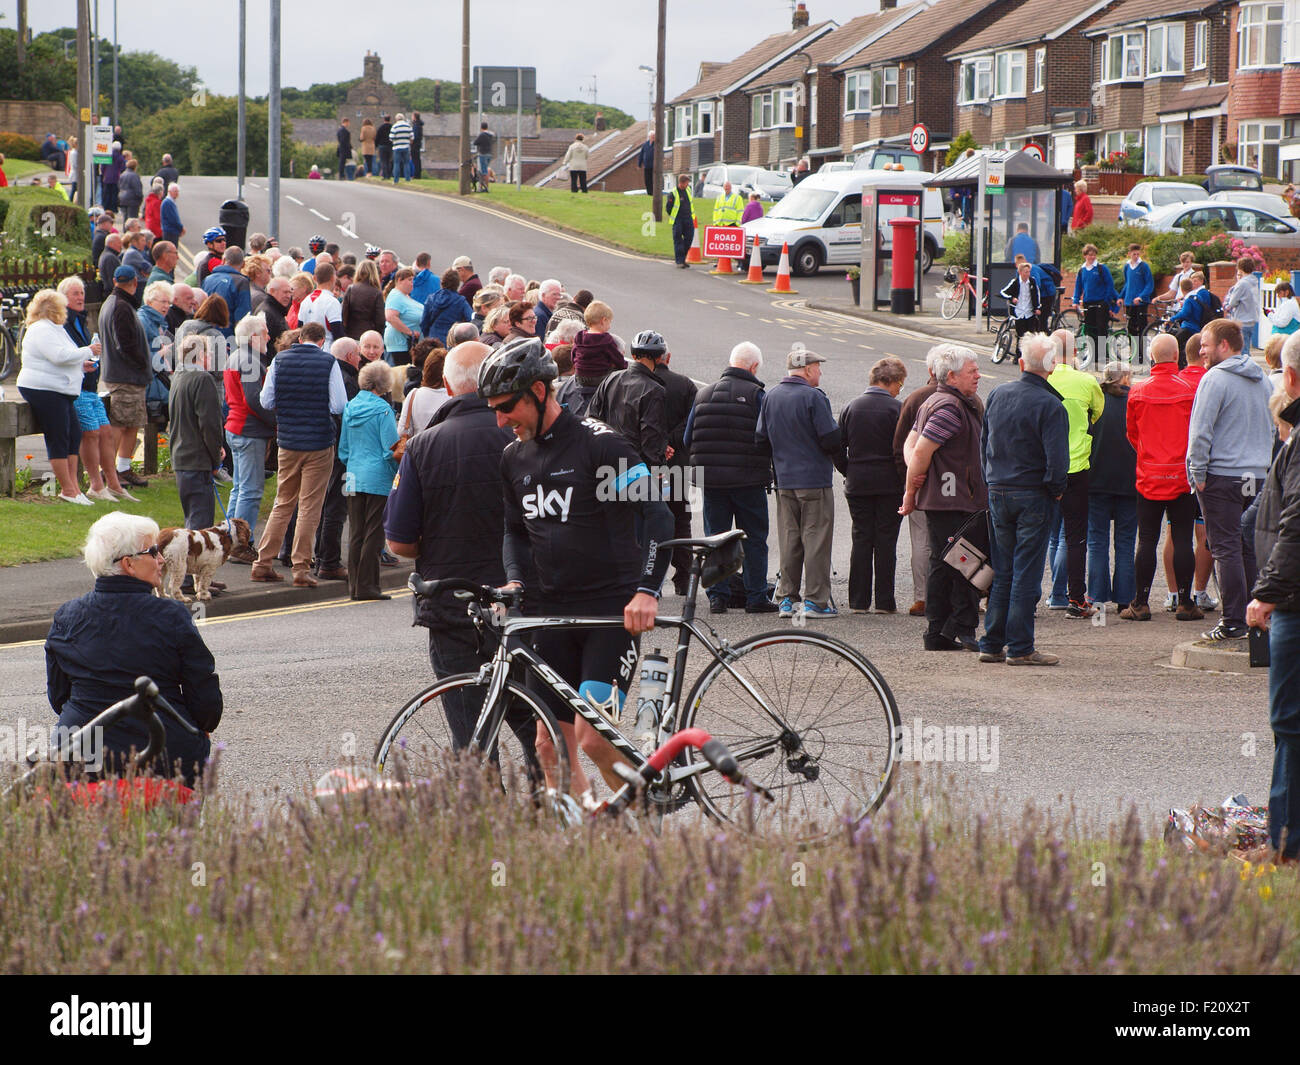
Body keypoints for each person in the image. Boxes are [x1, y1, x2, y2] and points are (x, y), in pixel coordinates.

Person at [482, 338, 673, 804]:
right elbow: (515, 532)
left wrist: (647, 589)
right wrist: (514, 579)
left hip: (610, 610)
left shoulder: (600, 445)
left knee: (593, 738)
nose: (500, 420)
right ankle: (594, 836)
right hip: (550, 613)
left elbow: (657, 514)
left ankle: (648, 826)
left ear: (541, 392)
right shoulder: (513, 458)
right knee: (548, 746)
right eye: (493, 409)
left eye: (507, 407)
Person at [386, 341, 531, 750]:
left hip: (453, 605)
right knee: (539, 731)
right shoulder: (528, 440)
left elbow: (399, 541)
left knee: (471, 737)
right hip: (523, 604)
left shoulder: (422, 447)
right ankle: (548, 809)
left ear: (447, 386)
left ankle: (484, 810)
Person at [45, 512, 222, 787]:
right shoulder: (171, 615)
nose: (161, 559)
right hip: (165, 753)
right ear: (128, 564)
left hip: (82, 753)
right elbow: (205, 696)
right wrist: (201, 728)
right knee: (167, 827)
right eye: (153, 552)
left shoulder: (66, 616)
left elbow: (58, 697)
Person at [977, 333, 1069, 666]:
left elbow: (984, 442)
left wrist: (990, 479)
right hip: (1033, 493)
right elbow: (1058, 459)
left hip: (999, 489)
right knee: (1026, 572)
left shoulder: (998, 393)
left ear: (1021, 363)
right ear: (1053, 366)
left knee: (1002, 570)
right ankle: (1020, 648)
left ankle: (991, 643)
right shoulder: (1051, 405)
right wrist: (1056, 488)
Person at [1246, 332, 1300, 864]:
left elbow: (1296, 521)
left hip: (1295, 604)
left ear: (1289, 377)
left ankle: (1285, 845)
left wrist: (1266, 593)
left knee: (1289, 724)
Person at [1188, 318, 1276, 640]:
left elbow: (1200, 432)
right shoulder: (1263, 380)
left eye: (1206, 345)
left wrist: (1197, 473)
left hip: (1222, 476)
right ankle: (1254, 617)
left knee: (1225, 547)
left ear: (1224, 345)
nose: (1201, 350)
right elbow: (1270, 429)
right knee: (1247, 547)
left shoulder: (1214, 379)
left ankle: (1233, 622)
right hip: (1255, 475)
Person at [899, 345, 987, 652]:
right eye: (972, 371)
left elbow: (911, 445)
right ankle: (953, 630)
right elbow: (921, 450)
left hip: (949, 499)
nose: (978, 375)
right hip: (953, 501)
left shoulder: (936, 401)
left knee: (949, 563)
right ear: (951, 376)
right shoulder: (950, 407)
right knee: (963, 564)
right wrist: (911, 492)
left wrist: (916, 478)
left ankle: (943, 632)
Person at [250, 322, 348, 588]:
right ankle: (301, 568)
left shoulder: (279, 361)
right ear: (320, 341)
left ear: (300, 338)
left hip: (288, 442)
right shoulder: (329, 362)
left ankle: (262, 562)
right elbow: (339, 405)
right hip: (318, 443)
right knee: (309, 507)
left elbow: (266, 401)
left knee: (283, 503)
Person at [683, 342, 773, 614]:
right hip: (748, 481)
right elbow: (766, 437)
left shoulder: (703, 394)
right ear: (754, 366)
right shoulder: (758, 395)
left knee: (717, 537)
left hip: (711, 482)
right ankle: (756, 596)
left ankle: (717, 597)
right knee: (754, 538)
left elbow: (688, 438)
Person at [756, 346, 842, 619]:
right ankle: (816, 601)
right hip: (813, 479)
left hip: (784, 480)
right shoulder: (813, 397)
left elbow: (760, 440)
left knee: (790, 539)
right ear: (807, 370)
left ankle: (786, 599)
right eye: (817, 367)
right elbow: (829, 438)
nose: (820, 371)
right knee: (816, 539)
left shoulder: (771, 396)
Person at [1121, 333, 1201, 622]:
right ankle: (1184, 601)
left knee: (1147, 540)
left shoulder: (1138, 392)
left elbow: (1132, 434)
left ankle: (1141, 602)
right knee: (1182, 538)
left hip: (1149, 474)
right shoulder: (1191, 391)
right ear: (1177, 355)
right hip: (1180, 475)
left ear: (1152, 357)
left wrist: (1147, 453)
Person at [16, 289, 101, 505]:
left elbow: (63, 357)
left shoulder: (55, 329)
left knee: (73, 434)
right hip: (44, 389)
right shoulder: (41, 329)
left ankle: (73, 486)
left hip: (61, 390)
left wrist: (81, 365)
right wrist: (88, 350)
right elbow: (60, 356)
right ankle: (68, 489)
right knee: (58, 436)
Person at [839, 357, 907, 614]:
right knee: (887, 541)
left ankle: (858, 602)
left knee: (861, 538)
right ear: (888, 382)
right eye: (899, 383)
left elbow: (837, 446)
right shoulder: (898, 410)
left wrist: (849, 469)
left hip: (858, 483)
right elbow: (904, 450)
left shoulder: (851, 407)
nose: (900, 389)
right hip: (890, 485)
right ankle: (885, 602)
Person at [1047, 328, 1106, 618]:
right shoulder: (1086, 381)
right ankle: (1075, 598)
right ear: (1074, 352)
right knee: (1075, 537)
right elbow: (1097, 413)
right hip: (1077, 467)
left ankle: (1036, 596)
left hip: (1044, 468)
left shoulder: (1042, 379)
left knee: (1042, 535)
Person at [338, 361, 400, 600]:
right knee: (374, 533)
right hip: (377, 476)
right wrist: (398, 470)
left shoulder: (350, 407)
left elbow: (343, 449)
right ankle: (369, 586)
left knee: (356, 532)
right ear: (384, 384)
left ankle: (354, 586)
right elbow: (390, 450)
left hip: (352, 473)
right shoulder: (383, 411)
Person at [1085, 362, 1139, 613]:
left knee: (1097, 540)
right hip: (1130, 481)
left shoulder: (1095, 402)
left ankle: (1096, 596)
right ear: (1126, 378)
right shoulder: (1135, 401)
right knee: (1126, 541)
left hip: (1096, 480)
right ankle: (1125, 598)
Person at [893, 350, 941, 617]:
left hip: (920, 484)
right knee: (952, 540)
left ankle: (922, 598)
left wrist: (909, 482)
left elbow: (899, 445)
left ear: (931, 371)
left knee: (921, 541)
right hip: (953, 487)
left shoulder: (914, 398)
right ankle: (954, 596)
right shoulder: (968, 399)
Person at [223, 314, 274, 559]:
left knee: (240, 487)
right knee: (251, 490)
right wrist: (277, 423)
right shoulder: (251, 360)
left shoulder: (236, 356)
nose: (269, 337)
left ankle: (230, 538)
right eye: (265, 333)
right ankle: (241, 544)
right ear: (254, 337)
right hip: (248, 429)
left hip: (236, 427)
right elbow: (255, 400)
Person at [168, 321, 225, 534]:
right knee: (200, 527)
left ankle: (185, 566)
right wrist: (216, 458)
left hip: (181, 456)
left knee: (191, 519)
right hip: (197, 458)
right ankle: (191, 568)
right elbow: (210, 424)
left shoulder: (179, 377)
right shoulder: (202, 379)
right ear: (201, 355)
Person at [99, 265, 153, 489]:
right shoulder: (121, 306)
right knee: (121, 424)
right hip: (125, 377)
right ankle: (110, 472)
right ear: (134, 283)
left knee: (132, 424)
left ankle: (122, 468)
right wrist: (142, 363)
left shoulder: (112, 303)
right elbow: (125, 344)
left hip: (123, 375)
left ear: (114, 280)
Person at [588, 329, 669, 468]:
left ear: (633, 355)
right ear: (658, 358)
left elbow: (592, 417)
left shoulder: (611, 378)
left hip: (604, 459)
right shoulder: (654, 390)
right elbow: (651, 435)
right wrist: (657, 466)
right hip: (634, 465)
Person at [1071, 243, 1119, 355]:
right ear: (1085, 256)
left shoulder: (1102, 268)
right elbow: (1078, 287)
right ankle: (1093, 354)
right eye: (1089, 255)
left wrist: (1106, 300)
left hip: (1101, 302)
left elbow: (1109, 285)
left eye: (1094, 255)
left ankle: (1101, 354)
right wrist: (1075, 301)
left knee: (1101, 328)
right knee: (1090, 329)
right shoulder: (1082, 270)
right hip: (1088, 302)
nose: (1092, 257)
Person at [295, 262, 346, 352]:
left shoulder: (305, 301)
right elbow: (338, 333)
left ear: (314, 278)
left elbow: (299, 329)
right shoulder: (332, 302)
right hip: (327, 352)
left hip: (306, 351)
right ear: (333, 278)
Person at [202, 246, 253, 336]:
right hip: (227, 339)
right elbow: (242, 317)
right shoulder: (241, 282)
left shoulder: (207, 279)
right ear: (243, 264)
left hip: (205, 333)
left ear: (223, 260)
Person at [999, 260, 1045, 351]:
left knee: (1030, 335)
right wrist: (1012, 298)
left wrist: (1037, 308)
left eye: (1029, 272)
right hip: (1018, 312)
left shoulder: (1032, 281)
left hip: (1029, 311)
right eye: (1026, 272)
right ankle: (1018, 355)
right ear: (1020, 272)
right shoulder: (1015, 282)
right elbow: (1003, 292)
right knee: (1020, 335)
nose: (1028, 274)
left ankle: (1028, 354)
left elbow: (1037, 295)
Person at [419, 269, 473, 346]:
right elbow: (471, 319)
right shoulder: (460, 301)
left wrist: (428, 336)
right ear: (457, 284)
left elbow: (423, 322)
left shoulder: (431, 298)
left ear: (442, 282)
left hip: (433, 340)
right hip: (451, 341)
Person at [1121, 243, 1154, 363]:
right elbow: (1127, 284)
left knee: (1142, 328)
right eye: (1133, 254)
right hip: (1130, 302)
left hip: (1140, 303)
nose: (1135, 256)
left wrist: (1141, 296)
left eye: (1137, 254)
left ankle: (1142, 354)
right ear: (1129, 254)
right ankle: (1134, 353)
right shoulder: (1127, 267)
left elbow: (1149, 284)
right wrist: (1121, 297)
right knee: (1131, 329)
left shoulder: (1143, 266)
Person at [383, 268, 423, 364]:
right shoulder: (395, 296)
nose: (412, 283)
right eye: (409, 280)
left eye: (413, 280)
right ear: (400, 280)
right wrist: (410, 332)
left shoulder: (404, 296)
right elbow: (390, 317)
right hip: (400, 344)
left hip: (406, 344)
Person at [342, 259, 387, 341]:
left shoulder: (351, 289)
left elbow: (344, 313)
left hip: (350, 334)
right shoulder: (377, 292)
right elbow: (380, 320)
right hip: (368, 336)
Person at [1224, 256, 1261, 354]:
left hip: (1241, 320)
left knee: (1242, 351)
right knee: (1246, 348)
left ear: (1240, 268)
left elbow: (1232, 302)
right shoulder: (1255, 281)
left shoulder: (1242, 283)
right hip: (1251, 319)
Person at [667, 173, 695, 269]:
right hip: (678, 220)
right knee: (678, 240)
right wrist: (675, 217)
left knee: (689, 238)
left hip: (688, 218)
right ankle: (680, 261)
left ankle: (682, 259)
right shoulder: (673, 193)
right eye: (687, 183)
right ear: (681, 183)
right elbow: (668, 208)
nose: (688, 185)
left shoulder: (688, 190)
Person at [389, 113, 414, 184]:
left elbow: (391, 138)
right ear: (403, 118)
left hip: (397, 147)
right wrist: (408, 143)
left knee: (396, 163)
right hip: (406, 147)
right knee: (406, 163)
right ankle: (407, 179)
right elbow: (412, 137)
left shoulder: (395, 126)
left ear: (396, 119)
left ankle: (396, 180)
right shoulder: (408, 126)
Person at [637, 129, 656, 197]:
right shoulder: (645, 145)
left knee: (653, 180)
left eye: (654, 136)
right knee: (647, 180)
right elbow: (641, 154)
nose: (653, 137)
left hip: (654, 166)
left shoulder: (656, 144)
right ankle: (649, 193)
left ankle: (653, 193)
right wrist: (639, 164)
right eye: (652, 136)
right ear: (649, 137)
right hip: (646, 166)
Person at [376, 114, 393, 180]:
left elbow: (377, 137)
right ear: (390, 119)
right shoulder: (392, 127)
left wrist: (376, 145)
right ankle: (389, 175)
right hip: (390, 146)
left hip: (382, 146)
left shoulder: (381, 127)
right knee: (389, 161)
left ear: (384, 119)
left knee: (383, 161)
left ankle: (384, 175)